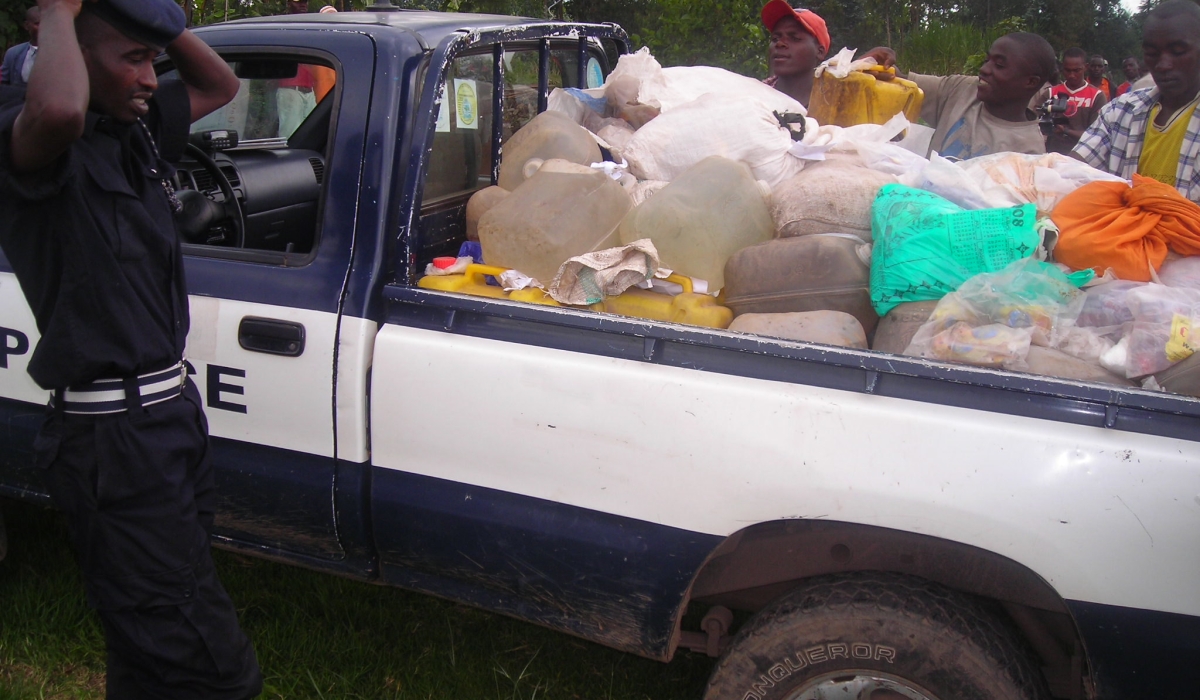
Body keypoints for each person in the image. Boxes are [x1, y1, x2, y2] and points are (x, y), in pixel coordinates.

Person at [0, 0, 260, 697]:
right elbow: (55, 112)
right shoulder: (29, 133)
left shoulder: (132, 132)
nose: (151, 75)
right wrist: (57, 10)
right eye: (132, 58)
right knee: (216, 672)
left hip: (169, 421)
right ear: (73, 58)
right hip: (113, 445)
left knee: (147, 648)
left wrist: (154, 20)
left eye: (153, 59)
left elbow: (220, 87)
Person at [1074, 0, 1200, 203]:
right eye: (1152, 54)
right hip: (1119, 233)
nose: (1163, 65)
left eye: (1178, 52)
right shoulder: (1120, 111)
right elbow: (1071, 172)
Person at [863, 32, 1057, 159]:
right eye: (986, 60)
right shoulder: (963, 89)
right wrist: (878, 61)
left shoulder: (1029, 151)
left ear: (1030, 82)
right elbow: (901, 83)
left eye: (999, 65)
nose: (984, 69)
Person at [760, 0, 829, 108]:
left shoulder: (836, 100)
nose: (780, 43)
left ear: (819, 52)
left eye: (794, 38)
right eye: (775, 38)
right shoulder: (754, 97)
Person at [1045, 47, 1107, 155]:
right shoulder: (1050, 93)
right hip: (1053, 154)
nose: (1071, 75)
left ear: (1085, 67)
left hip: (1083, 157)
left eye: (1076, 70)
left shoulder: (1097, 96)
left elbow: (1096, 136)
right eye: (1067, 70)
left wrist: (1066, 131)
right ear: (1062, 68)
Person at [1, 6, 41, 87]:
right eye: (37, 24)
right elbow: (3, 83)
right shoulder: (13, 53)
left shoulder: (62, 54)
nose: (43, 27)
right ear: (26, 26)